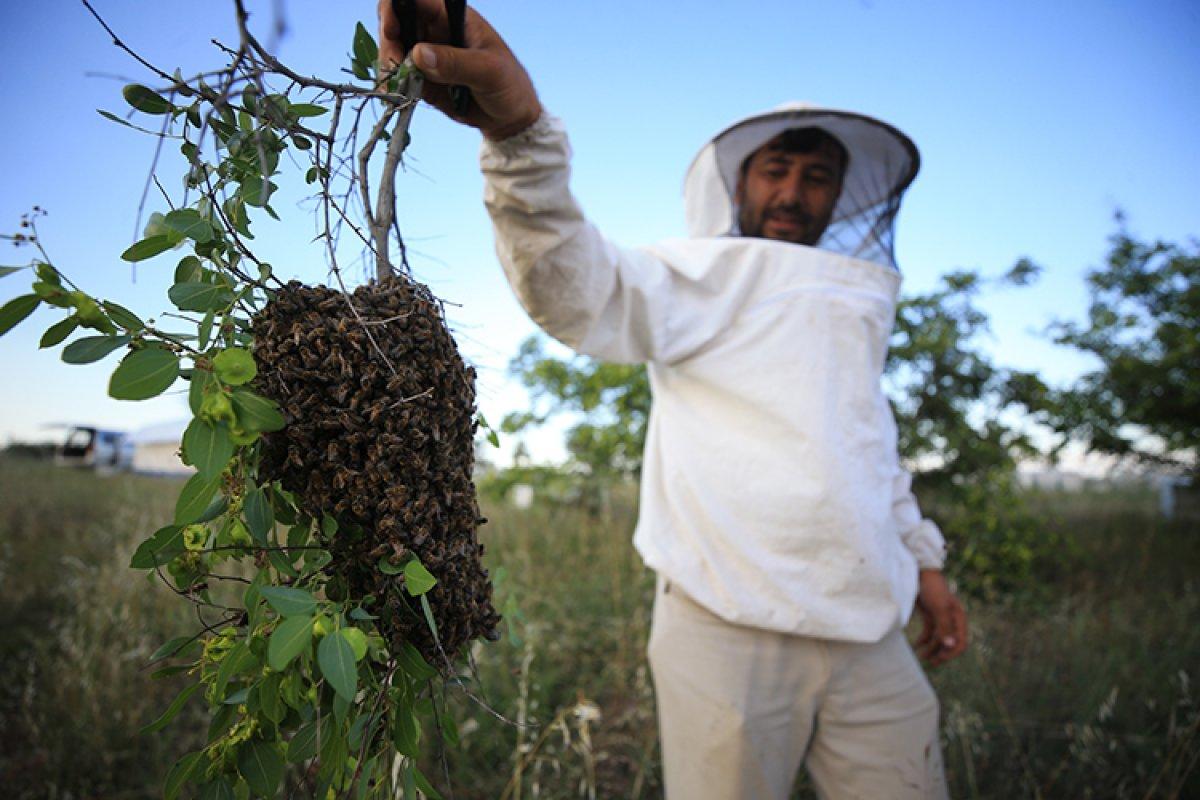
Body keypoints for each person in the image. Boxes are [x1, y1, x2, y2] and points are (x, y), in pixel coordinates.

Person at [379, 3, 968, 798]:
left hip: (871, 628)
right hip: (726, 624)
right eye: (777, 169)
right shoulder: (698, 277)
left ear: (838, 198)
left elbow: (869, 445)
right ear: (740, 183)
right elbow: (578, 287)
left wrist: (924, 564)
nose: (794, 190)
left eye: (817, 176)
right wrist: (520, 138)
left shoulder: (849, 302)